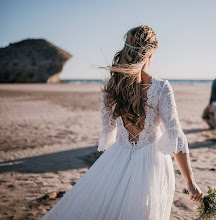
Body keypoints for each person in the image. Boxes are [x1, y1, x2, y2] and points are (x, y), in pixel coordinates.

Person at [41, 25, 202, 220]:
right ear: (150, 55)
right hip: (151, 161)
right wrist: (190, 182)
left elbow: (107, 127)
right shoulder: (161, 88)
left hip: (118, 156)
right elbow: (175, 136)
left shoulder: (112, 85)